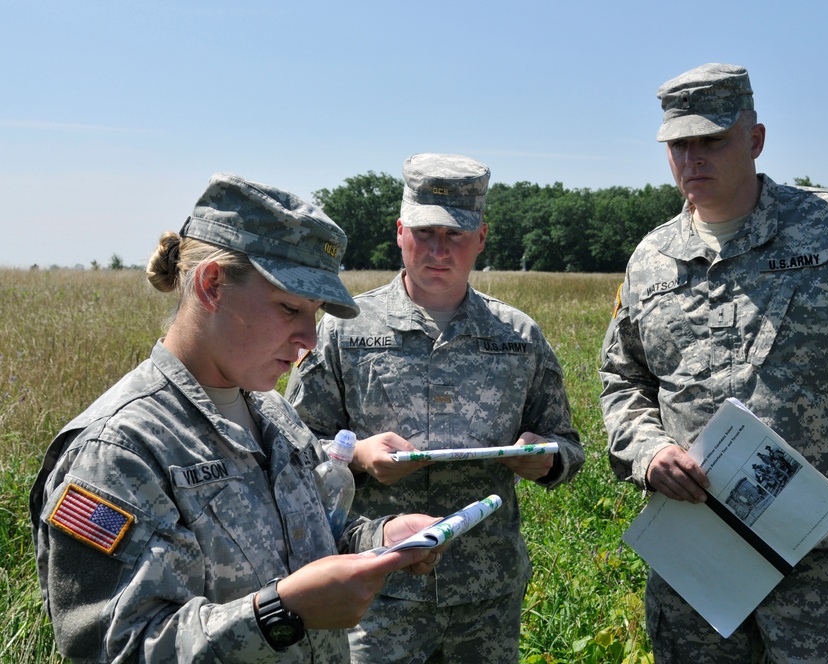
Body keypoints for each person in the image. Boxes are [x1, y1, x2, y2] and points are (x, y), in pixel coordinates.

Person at [599, 63, 828, 662]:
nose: (692, 159)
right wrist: (647, 451)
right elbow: (623, 377)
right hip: (695, 562)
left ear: (755, 140)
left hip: (822, 565)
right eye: (679, 144)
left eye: (712, 140)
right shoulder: (650, 260)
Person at [29, 172, 444, 662]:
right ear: (212, 286)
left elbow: (309, 539)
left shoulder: (272, 411)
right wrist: (280, 613)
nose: (309, 339)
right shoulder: (117, 451)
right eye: (290, 308)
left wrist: (379, 539)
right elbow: (116, 647)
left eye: (314, 313)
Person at [286, 153, 585, 663]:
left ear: (482, 238)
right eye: (425, 234)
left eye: (456, 236)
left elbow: (569, 447)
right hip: (377, 586)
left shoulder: (517, 336)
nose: (438, 251)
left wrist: (547, 458)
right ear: (400, 232)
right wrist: (356, 453)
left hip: (485, 593)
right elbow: (291, 448)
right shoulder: (344, 329)